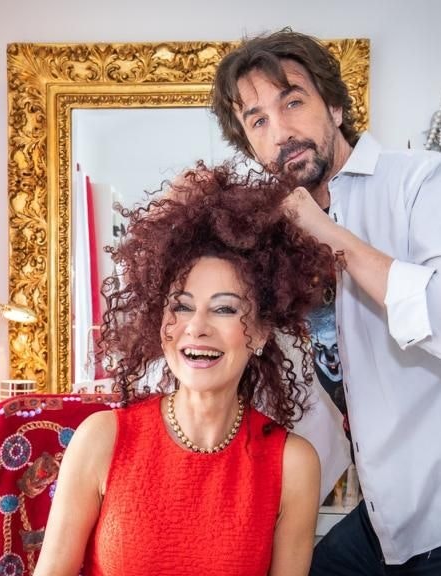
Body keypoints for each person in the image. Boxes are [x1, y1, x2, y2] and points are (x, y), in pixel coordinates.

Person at [211, 29, 441, 575]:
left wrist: (332, 236)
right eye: (258, 121)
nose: (280, 132)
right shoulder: (281, 243)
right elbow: (319, 399)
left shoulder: (423, 182)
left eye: (292, 102)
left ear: (335, 106)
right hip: (387, 521)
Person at [33, 164, 337, 576]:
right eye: (181, 306)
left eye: (224, 309)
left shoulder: (293, 465)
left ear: (261, 333)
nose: (197, 327)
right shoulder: (101, 440)